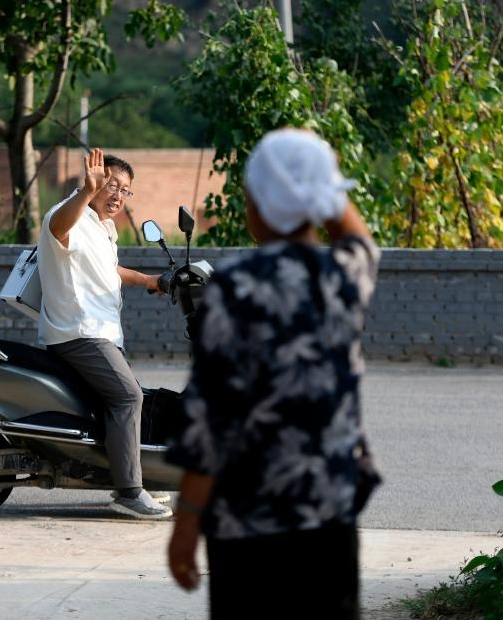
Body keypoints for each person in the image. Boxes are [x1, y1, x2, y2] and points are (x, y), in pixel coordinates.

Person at [165, 128, 381, 618]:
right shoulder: (344, 276)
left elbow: (212, 420)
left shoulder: (236, 286)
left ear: (260, 205)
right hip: (328, 515)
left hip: (245, 523)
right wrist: (320, 186)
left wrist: (185, 525)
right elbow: (357, 236)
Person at [37, 147, 173, 520]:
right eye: (111, 185)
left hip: (99, 333)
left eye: (125, 190)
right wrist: (85, 191)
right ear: (94, 180)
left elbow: (109, 269)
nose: (118, 195)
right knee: (128, 397)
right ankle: (128, 491)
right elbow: (58, 228)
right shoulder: (69, 217)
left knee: (123, 399)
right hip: (79, 333)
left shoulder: (101, 228)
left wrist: (149, 280)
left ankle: (123, 474)